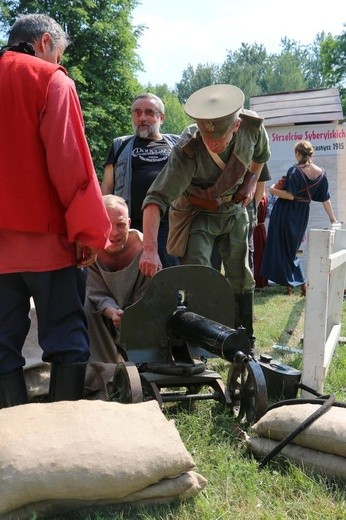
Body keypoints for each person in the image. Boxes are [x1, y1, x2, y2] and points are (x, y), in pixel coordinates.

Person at [0, 14, 111, 408]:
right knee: (65, 338)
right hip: (48, 245)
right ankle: (64, 442)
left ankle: (11, 446)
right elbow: (71, 166)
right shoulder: (51, 80)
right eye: (59, 53)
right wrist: (88, 233)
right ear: (45, 42)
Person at [140, 84, 271, 351]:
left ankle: (245, 341)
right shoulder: (187, 150)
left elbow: (260, 157)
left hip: (234, 212)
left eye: (219, 139)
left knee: (241, 275)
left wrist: (249, 182)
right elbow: (156, 199)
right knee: (199, 273)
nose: (212, 143)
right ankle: (200, 342)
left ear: (235, 126)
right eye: (207, 137)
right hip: (198, 212)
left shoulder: (252, 128)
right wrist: (150, 251)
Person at [101, 93, 179, 268]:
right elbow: (107, 185)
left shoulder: (177, 144)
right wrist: (103, 219)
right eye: (137, 112)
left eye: (149, 112)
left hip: (169, 223)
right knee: (132, 277)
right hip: (129, 225)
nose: (142, 118)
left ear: (162, 117)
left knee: (167, 277)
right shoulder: (119, 145)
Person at [260, 140, 338, 295]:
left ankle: (298, 283)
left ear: (298, 153)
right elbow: (325, 198)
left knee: (282, 249)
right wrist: (332, 218)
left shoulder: (294, 171)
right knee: (291, 249)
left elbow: (289, 196)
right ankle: (292, 286)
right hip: (301, 213)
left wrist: (272, 190)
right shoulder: (321, 173)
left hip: (285, 211)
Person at [85, 195, 149, 363]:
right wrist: (112, 311)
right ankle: (102, 366)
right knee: (84, 303)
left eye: (120, 225)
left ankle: (145, 360)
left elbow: (151, 292)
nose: (114, 233)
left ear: (129, 223)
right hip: (101, 316)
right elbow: (93, 292)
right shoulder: (89, 250)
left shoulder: (146, 250)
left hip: (138, 316)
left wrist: (130, 314)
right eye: (107, 224)